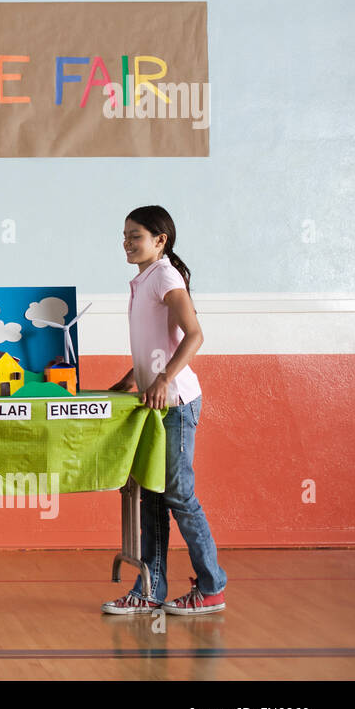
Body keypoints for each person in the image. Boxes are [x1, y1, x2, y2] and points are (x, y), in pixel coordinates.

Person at [101, 206, 228, 616]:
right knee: (152, 497)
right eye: (124, 235)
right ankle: (150, 589)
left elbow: (194, 335)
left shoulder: (167, 276)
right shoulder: (144, 280)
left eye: (135, 235)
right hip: (154, 403)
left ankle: (211, 588)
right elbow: (158, 341)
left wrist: (163, 380)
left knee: (177, 494)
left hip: (175, 405)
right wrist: (133, 376)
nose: (127, 242)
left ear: (161, 240)